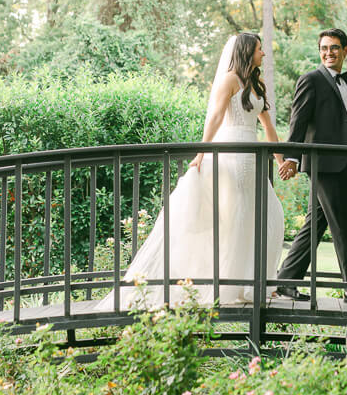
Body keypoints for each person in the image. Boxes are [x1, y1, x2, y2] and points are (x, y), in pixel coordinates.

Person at [95, 33, 286, 310]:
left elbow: (268, 126)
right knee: (237, 216)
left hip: (253, 156)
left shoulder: (257, 82)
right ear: (247, 52)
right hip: (230, 152)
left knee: (266, 215)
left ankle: (251, 283)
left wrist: (280, 160)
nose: (263, 54)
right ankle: (229, 286)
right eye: (259, 49)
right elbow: (216, 117)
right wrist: (201, 152)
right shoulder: (229, 80)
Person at [275, 28, 347, 305]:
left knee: (315, 224)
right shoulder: (311, 80)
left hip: (340, 164)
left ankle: (286, 280)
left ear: (345, 50)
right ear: (320, 51)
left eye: (335, 47)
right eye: (325, 48)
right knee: (345, 227)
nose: (329, 53)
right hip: (323, 165)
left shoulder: (344, 85)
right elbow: (298, 122)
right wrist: (291, 157)